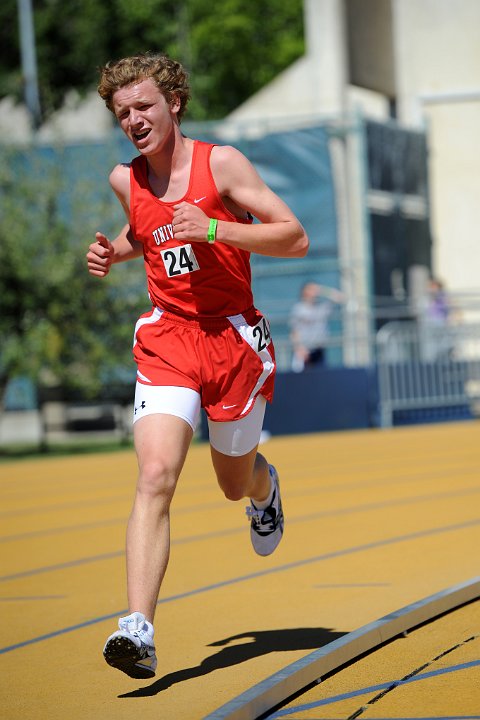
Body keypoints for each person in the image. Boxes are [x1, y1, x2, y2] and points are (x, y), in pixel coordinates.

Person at [86, 52, 309, 679]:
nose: (134, 120)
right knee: (156, 474)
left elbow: (294, 237)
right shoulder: (125, 180)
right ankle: (139, 628)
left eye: (144, 107)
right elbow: (149, 233)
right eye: (122, 112)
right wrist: (114, 253)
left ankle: (264, 488)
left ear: (174, 103)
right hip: (169, 338)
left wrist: (214, 230)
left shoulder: (224, 164)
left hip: (233, 341)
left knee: (231, 480)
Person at [289, 282, 344, 371]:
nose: (314, 292)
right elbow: (294, 332)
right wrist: (299, 348)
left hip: (319, 351)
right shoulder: (299, 309)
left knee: (321, 380)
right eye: (311, 289)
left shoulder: (321, 308)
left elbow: (339, 297)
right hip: (304, 352)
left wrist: (322, 290)